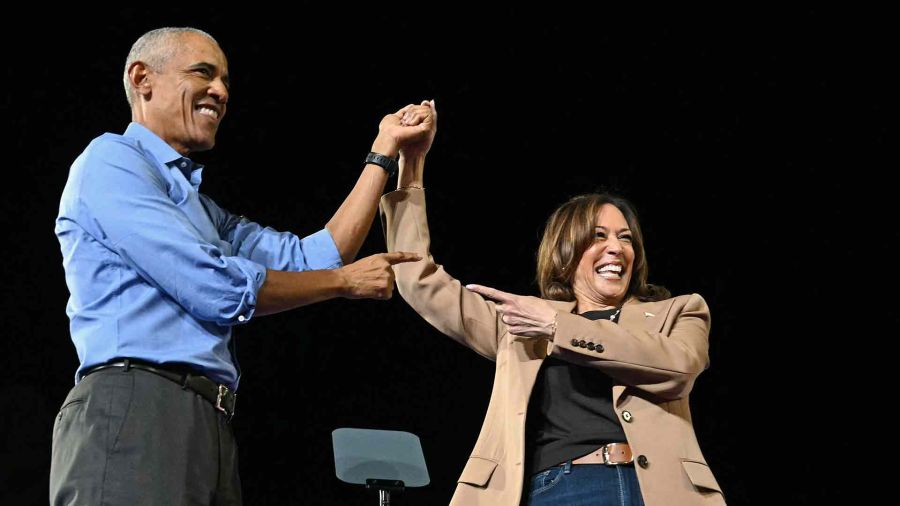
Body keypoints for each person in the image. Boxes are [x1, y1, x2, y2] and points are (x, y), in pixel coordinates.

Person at [50, 27, 430, 505]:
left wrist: (385, 149)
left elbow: (314, 256)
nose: (222, 92)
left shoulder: (200, 211)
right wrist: (340, 284)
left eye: (225, 80)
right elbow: (214, 287)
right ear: (142, 78)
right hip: (134, 408)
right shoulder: (110, 162)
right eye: (203, 73)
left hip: (206, 419)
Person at [380, 101, 725, 505]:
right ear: (566, 250)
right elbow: (418, 280)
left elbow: (678, 366)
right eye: (599, 236)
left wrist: (559, 328)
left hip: (656, 491)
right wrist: (412, 165)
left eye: (626, 238)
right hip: (559, 489)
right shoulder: (520, 323)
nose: (616, 248)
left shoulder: (679, 311)